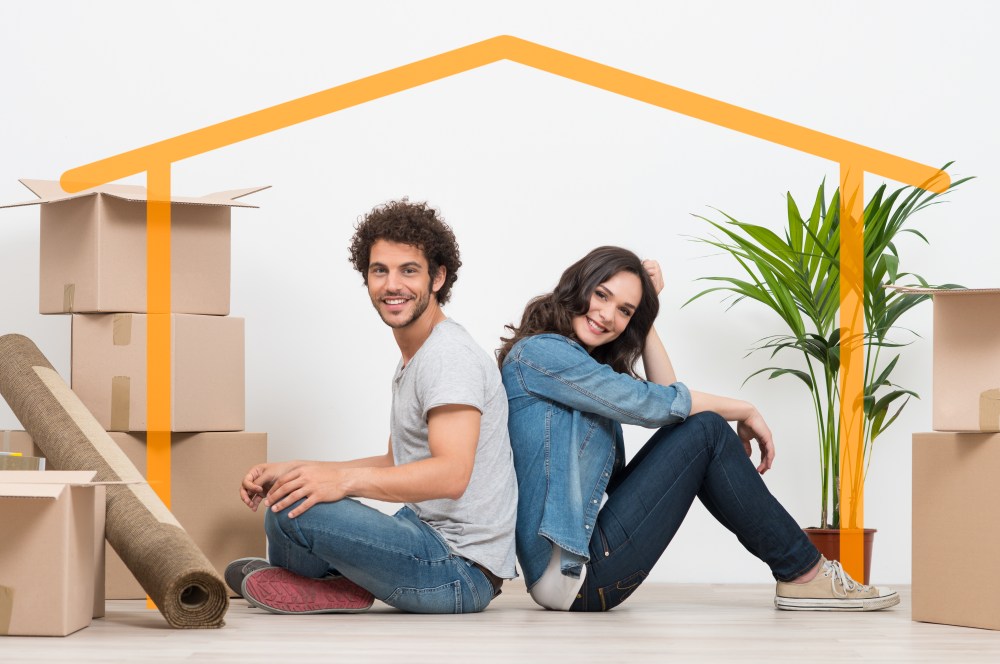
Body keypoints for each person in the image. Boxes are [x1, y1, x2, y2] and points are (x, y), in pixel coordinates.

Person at [497, 245, 899, 612]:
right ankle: (805, 574)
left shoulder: (577, 368)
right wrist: (744, 408)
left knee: (702, 427)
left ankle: (803, 573)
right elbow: (657, 403)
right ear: (577, 285)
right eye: (602, 295)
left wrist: (648, 313)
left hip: (576, 564)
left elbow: (667, 400)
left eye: (625, 311)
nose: (607, 315)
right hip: (573, 576)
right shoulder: (540, 354)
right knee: (708, 429)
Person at [228, 199, 518, 615]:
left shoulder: (448, 356)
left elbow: (452, 474)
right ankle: (337, 588)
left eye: (409, 270)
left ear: (438, 277)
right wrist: (298, 470)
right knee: (286, 496)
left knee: (292, 511)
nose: (392, 285)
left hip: (458, 570)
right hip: (421, 536)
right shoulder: (416, 356)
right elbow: (396, 461)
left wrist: (342, 482)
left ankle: (330, 585)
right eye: (380, 270)